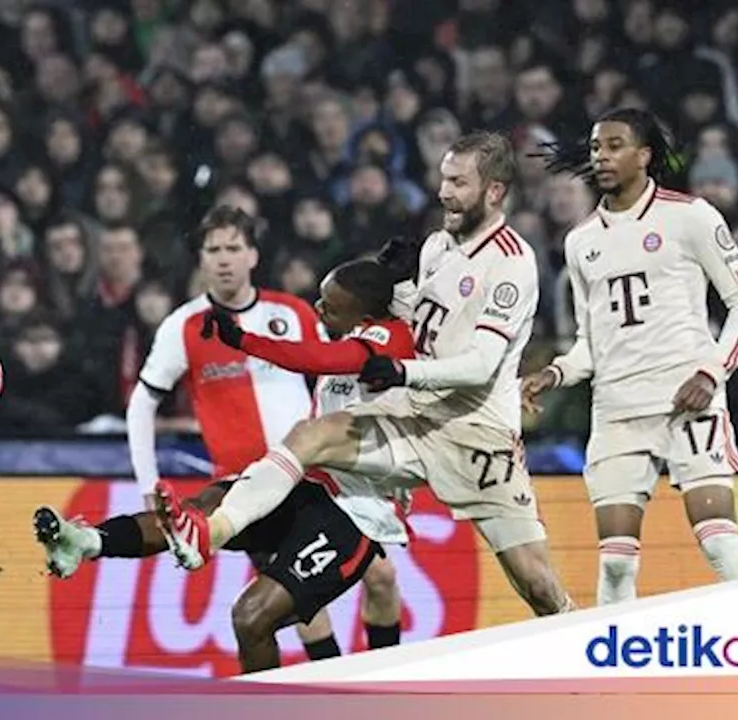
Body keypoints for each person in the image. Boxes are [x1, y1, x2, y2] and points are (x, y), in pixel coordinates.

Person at [155, 133, 578, 618]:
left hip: (477, 437)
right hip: (417, 418)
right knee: (313, 435)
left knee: (535, 583)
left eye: (459, 182)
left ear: (495, 191)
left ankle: (587, 650)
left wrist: (403, 370)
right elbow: (424, 322)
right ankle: (210, 533)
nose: (444, 192)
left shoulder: (511, 263)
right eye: (443, 178)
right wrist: (399, 288)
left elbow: (481, 365)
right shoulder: (439, 246)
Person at [33, 206, 406, 662]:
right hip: (252, 487)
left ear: (253, 254)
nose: (224, 259)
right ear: (201, 260)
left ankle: (381, 686)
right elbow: (143, 403)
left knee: (380, 581)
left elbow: (346, 364)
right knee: (299, 613)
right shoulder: (185, 325)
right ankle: (90, 542)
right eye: (214, 250)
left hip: (321, 479)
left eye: (234, 247)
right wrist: (147, 481)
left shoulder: (293, 312)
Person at [522, 107, 738, 605]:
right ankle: (618, 678)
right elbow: (592, 341)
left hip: (687, 402)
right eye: (595, 148)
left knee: (719, 544)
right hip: (617, 412)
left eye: (614, 146)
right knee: (614, 565)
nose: (601, 157)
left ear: (645, 155)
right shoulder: (581, 241)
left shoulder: (690, 216)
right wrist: (556, 371)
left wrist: (710, 372)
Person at [198, 257, 418, 670]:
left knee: (381, 580)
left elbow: (319, 358)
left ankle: (381, 681)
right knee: (296, 599)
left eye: (329, 305)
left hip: (358, 486)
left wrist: (246, 341)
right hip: (294, 474)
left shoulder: (369, 335)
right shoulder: (325, 328)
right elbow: (318, 357)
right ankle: (334, 686)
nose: (318, 310)